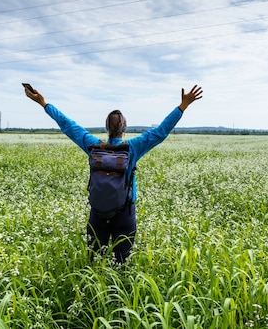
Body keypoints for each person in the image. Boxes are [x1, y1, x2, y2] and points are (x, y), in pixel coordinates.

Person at [24, 84, 203, 263]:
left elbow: (68, 125)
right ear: (124, 128)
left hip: (98, 213)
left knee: (94, 262)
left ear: (107, 128)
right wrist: (183, 106)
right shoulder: (132, 148)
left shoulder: (94, 146)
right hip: (125, 214)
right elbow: (160, 132)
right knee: (122, 263)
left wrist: (44, 103)